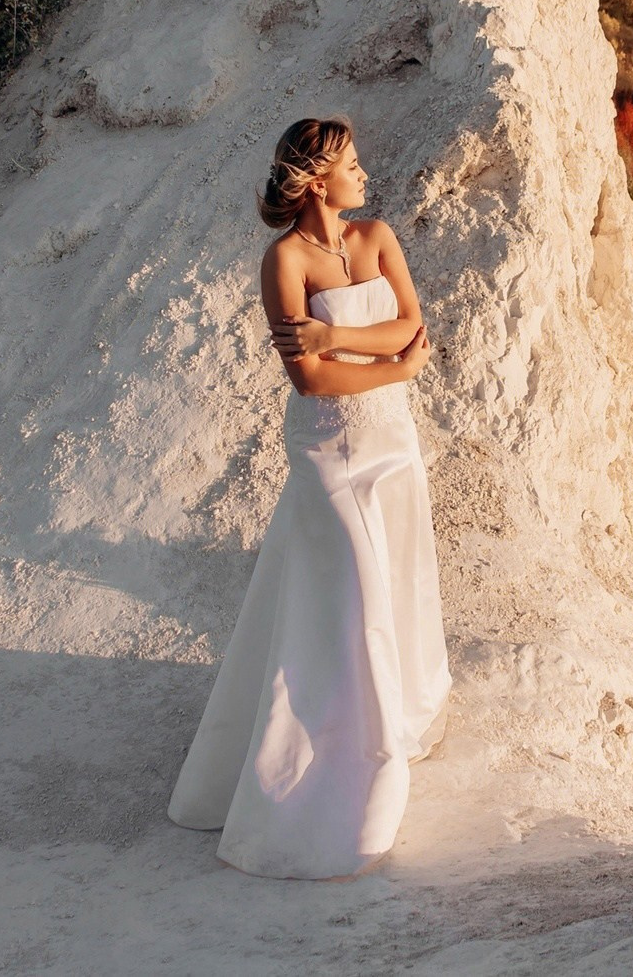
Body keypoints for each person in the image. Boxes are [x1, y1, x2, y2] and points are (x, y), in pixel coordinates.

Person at [166, 116, 449, 879]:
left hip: (393, 443)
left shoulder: (376, 237)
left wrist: (336, 339)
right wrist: (386, 365)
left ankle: (385, 715)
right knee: (350, 593)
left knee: (391, 580)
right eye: (352, 164)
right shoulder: (283, 259)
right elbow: (313, 378)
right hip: (327, 446)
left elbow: (414, 324)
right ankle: (345, 758)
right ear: (316, 179)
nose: (364, 174)